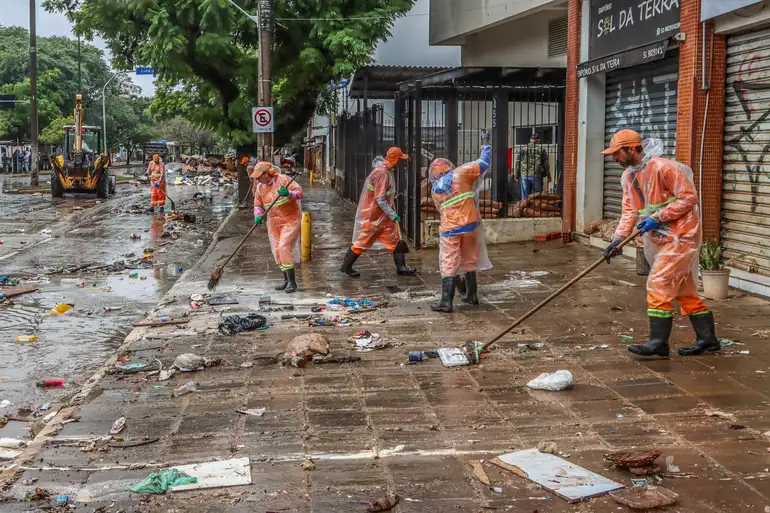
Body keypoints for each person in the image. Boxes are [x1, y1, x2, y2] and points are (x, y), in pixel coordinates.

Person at [602, 129, 719, 357]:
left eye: (617, 153)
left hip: (682, 236)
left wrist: (657, 217)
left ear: (632, 149)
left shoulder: (665, 167)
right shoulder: (628, 176)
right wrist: (617, 240)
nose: (614, 158)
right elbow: (629, 210)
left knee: (658, 283)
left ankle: (658, 343)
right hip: (660, 237)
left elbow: (689, 198)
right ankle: (708, 340)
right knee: (683, 290)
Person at [428, 145, 493, 313]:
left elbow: (439, 209)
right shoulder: (461, 173)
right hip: (471, 224)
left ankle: (446, 302)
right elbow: (484, 162)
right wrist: (485, 147)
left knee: (448, 262)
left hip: (450, 228)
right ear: (449, 166)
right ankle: (471, 295)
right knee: (470, 259)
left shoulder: (435, 189)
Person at [340, 147, 417, 278]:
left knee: (395, 238)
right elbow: (380, 199)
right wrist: (393, 214)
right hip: (374, 215)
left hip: (382, 214)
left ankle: (401, 267)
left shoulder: (386, 170)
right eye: (400, 159)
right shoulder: (383, 173)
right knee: (363, 241)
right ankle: (346, 266)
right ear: (395, 160)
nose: (401, 163)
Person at [252, 161, 303, 293]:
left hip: (290, 219)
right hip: (274, 221)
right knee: (277, 249)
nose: (257, 179)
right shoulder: (260, 187)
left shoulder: (284, 180)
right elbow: (258, 204)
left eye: (259, 176)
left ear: (266, 173)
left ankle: (292, 281)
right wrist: (258, 215)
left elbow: (299, 193)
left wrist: (288, 194)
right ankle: (286, 279)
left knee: (283, 246)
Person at [515, 133, 551, 199]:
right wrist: (548, 176)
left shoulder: (523, 149)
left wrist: (517, 175)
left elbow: (517, 163)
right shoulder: (542, 150)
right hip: (537, 175)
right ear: (539, 140)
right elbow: (546, 164)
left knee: (525, 197)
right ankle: (536, 209)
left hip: (525, 175)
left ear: (530, 140)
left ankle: (525, 208)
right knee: (537, 197)